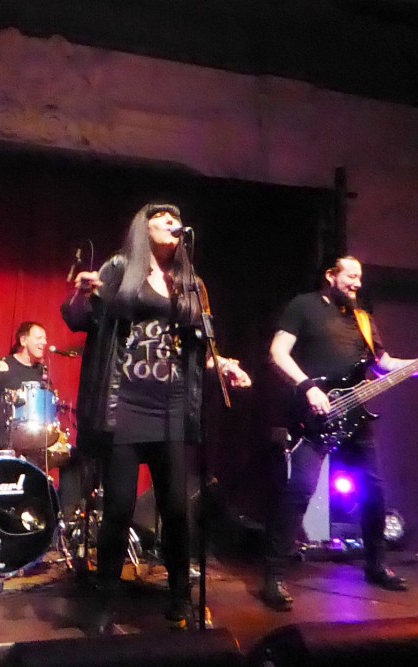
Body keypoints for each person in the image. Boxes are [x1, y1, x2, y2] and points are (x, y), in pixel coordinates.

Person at [61, 202, 251, 633]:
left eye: (175, 218)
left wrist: (224, 365)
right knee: (119, 507)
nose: (171, 222)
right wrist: (82, 293)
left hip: (172, 407)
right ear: (143, 227)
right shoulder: (118, 268)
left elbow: (200, 348)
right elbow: (75, 319)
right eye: (161, 217)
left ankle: (180, 596)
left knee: (176, 509)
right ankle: (106, 600)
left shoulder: (191, 284)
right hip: (124, 404)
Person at [262, 254, 418, 611]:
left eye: (360, 277)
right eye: (351, 276)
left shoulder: (363, 318)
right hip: (314, 414)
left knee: (373, 492)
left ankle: (376, 565)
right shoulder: (303, 306)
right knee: (299, 490)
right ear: (330, 275)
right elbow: (277, 353)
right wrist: (308, 388)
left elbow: (384, 365)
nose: (357, 283)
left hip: (355, 417)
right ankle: (273, 576)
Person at [0, 321, 50, 452]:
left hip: (28, 447)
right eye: (39, 338)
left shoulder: (42, 373)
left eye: (45, 338)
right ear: (23, 340)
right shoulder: (2, 366)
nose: (44, 342)